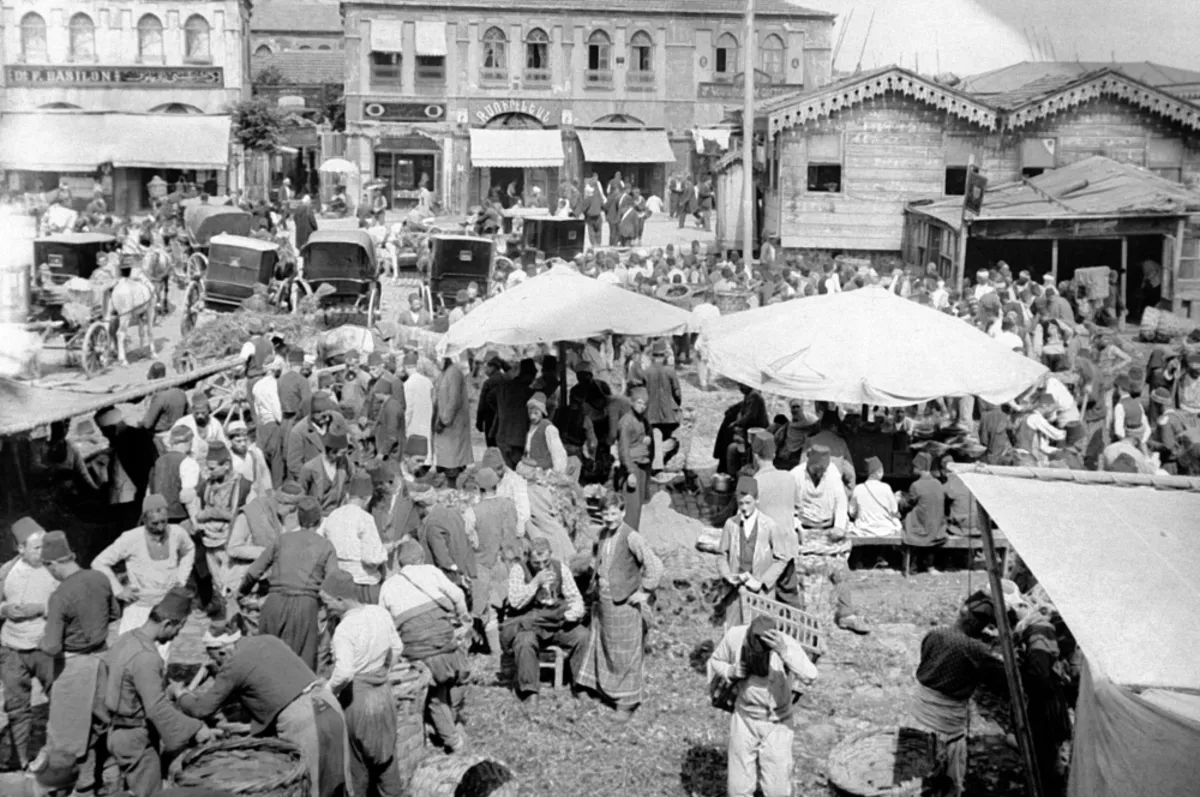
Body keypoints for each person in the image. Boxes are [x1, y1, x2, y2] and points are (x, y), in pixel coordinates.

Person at [176, 617, 351, 797]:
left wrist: (181, 695)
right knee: (336, 779)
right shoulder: (268, 640)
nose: (220, 666)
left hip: (304, 721)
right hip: (328, 703)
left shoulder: (235, 663)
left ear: (222, 651)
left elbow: (201, 709)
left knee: (307, 786)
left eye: (216, 659)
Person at [103, 587, 217, 797]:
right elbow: (156, 708)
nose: (175, 637)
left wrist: (169, 688)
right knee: (148, 793)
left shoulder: (126, 639)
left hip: (115, 731)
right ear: (168, 623)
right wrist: (195, 728)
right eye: (177, 630)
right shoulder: (148, 657)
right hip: (135, 738)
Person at [40, 530, 119, 796]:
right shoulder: (100, 578)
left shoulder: (60, 595)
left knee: (65, 741)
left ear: (51, 564)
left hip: (73, 668)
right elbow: (115, 613)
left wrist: (42, 637)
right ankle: (100, 782)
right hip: (103, 660)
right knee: (100, 728)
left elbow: (51, 646)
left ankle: (70, 788)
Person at [707, 616, 819, 797]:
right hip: (745, 718)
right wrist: (731, 671)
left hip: (777, 722)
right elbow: (715, 661)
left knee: (777, 787)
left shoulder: (785, 644)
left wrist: (784, 652)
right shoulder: (735, 636)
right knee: (738, 786)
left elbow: (811, 675)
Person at [575, 490, 663, 720]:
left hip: (625, 604)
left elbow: (655, 565)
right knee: (605, 645)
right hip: (605, 602)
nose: (610, 518)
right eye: (605, 514)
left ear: (623, 512)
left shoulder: (632, 537)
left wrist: (644, 592)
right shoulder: (603, 534)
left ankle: (627, 702)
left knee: (625, 652)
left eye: (614, 513)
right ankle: (602, 689)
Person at [906, 592, 1004, 797]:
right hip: (945, 722)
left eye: (985, 622)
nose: (982, 626)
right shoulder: (976, 649)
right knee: (945, 778)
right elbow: (999, 680)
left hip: (919, 714)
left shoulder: (934, 634)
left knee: (914, 776)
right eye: (982, 621)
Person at [379, 539, 472, 752]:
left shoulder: (388, 586)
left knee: (436, 695)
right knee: (459, 676)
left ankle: (447, 731)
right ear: (421, 558)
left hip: (416, 652)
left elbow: (386, 625)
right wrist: (463, 617)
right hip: (444, 643)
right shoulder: (430, 571)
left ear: (400, 564)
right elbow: (457, 595)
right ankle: (453, 735)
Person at [320, 570, 405, 797]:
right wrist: (383, 670)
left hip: (357, 700)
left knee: (356, 762)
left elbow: (345, 672)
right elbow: (397, 648)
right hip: (383, 694)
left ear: (340, 599)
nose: (325, 608)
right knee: (387, 754)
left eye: (327, 602)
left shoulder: (344, 630)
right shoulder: (379, 613)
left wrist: (327, 692)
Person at [240, 496, 338, 671]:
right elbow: (332, 582)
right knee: (301, 665)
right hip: (305, 606)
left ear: (298, 518)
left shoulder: (282, 540)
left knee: (267, 659)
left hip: (274, 602)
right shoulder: (326, 546)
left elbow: (254, 571)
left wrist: (242, 592)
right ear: (320, 520)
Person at [93, 494, 196, 661]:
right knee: (127, 653)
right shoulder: (131, 538)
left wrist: (181, 578)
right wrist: (119, 590)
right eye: (155, 523)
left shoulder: (177, 533)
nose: (161, 527)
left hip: (165, 606)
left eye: (164, 521)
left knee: (160, 655)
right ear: (144, 519)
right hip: (138, 607)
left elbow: (189, 550)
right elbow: (99, 562)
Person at [501, 537, 587, 707]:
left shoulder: (560, 568)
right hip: (529, 621)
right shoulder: (519, 570)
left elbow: (575, 597)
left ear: (551, 555)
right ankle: (530, 691)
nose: (541, 566)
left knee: (583, 636)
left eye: (545, 562)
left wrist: (573, 612)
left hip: (555, 620)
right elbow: (515, 602)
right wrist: (535, 582)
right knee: (525, 641)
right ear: (528, 558)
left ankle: (581, 685)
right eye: (536, 563)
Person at [1, 520, 58, 768]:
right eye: (35, 548)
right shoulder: (6, 572)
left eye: (43, 546)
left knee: (59, 698)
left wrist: (41, 608)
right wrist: (5, 609)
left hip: (45, 647)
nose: (41, 552)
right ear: (20, 548)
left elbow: (69, 603)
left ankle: (58, 753)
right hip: (12, 649)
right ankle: (21, 759)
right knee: (16, 707)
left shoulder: (55, 568)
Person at [794, 446, 868, 635]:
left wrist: (839, 526)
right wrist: (796, 525)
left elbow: (841, 503)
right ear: (809, 463)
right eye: (816, 468)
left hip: (827, 530)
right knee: (799, 571)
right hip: (804, 529)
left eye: (823, 469)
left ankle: (846, 614)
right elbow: (788, 506)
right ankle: (798, 616)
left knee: (840, 568)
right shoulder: (795, 475)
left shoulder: (833, 474)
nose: (820, 472)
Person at [715, 476, 796, 627]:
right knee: (734, 632)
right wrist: (727, 576)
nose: (744, 508)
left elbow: (781, 558)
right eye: (740, 504)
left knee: (758, 633)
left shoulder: (769, 525)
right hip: (735, 591)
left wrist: (762, 582)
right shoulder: (731, 524)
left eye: (748, 503)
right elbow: (722, 555)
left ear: (757, 500)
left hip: (760, 594)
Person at [471, 467, 520, 654]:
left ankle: (497, 653)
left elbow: (472, 539)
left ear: (478, 488)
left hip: (485, 563)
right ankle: (510, 649)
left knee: (488, 609)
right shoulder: (509, 504)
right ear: (497, 485)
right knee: (509, 604)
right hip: (509, 561)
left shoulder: (473, 511)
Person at [324, 474, 388, 603]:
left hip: (338, 581)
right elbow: (372, 558)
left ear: (348, 496)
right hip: (363, 583)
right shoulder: (365, 518)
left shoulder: (332, 516)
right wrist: (385, 551)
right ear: (369, 498)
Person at [616, 386, 653, 530]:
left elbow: (640, 436)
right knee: (632, 508)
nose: (642, 407)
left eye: (644, 404)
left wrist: (645, 439)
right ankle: (627, 539)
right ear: (631, 402)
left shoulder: (641, 420)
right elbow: (623, 450)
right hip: (631, 467)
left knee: (638, 505)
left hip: (642, 465)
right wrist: (630, 472)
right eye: (639, 403)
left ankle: (633, 535)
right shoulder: (626, 422)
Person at [903, 452, 947, 572]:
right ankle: (928, 564)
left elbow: (908, 504)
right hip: (937, 527)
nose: (912, 469)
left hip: (923, 527)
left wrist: (899, 499)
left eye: (914, 466)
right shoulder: (938, 483)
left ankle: (912, 564)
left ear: (919, 468)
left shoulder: (916, 485)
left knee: (907, 519)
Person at [435, 359, 474, 482]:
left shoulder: (454, 373)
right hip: (445, 424)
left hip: (452, 425)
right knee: (447, 460)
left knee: (452, 462)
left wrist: (444, 421)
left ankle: (453, 488)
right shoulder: (445, 373)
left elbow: (454, 401)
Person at [299, 429, 350, 515]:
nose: (345, 455)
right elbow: (301, 493)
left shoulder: (345, 462)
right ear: (332, 452)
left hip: (338, 514)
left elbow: (351, 480)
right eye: (343, 452)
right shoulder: (309, 468)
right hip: (318, 515)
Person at [849, 456, 901, 537]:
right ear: (878, 472)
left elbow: (852, 512)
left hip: (863, 529)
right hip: (885, 529)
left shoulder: (858, 488)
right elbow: (894, 510)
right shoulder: (886, 488)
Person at [519, 391, 568, 476]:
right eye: (530, 413)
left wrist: (557, 473)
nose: (532, 417)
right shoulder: (532, 427)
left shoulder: (548, 428)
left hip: (545, 471)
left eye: (536, 413)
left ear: (542, 412)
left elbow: (557, 452)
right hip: (533, 468)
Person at [140, 362, 187, 448]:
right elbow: (188, 412)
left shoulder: (159, 398)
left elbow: (148, 424)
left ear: (153, 377)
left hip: (161, 435)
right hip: (178, 430)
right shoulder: (180, 392)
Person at [226, 420, 273, 497]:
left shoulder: (256, 452)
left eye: (245, 440)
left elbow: (264, 472)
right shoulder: (228, 458)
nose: (243, 444)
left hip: (258, 496)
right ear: (230, 440)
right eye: (238, 441)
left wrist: (269, 491)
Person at [403, 352, 435, 461]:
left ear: (405, 367)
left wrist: (404, 425)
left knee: (413, 447)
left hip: (414, 420)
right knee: (427, 440)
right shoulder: (428, 382)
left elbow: (408, 408)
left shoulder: (408, 384)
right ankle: (427, 461)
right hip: (427, 416)